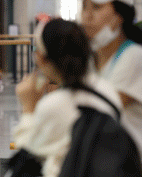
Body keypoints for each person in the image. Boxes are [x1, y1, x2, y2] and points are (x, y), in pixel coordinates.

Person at [74, 0, 142, 177]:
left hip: (133, 169)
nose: (87, 15)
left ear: (119, 14)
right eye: (84, 6)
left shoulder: (134, 57)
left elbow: (101, 111)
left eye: (96, 6)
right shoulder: (91, 58)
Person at [13, 18, 123, 177]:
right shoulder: (108, 90)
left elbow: (27, 152)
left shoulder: (54, 105)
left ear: (43, 59)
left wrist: (28, 108)